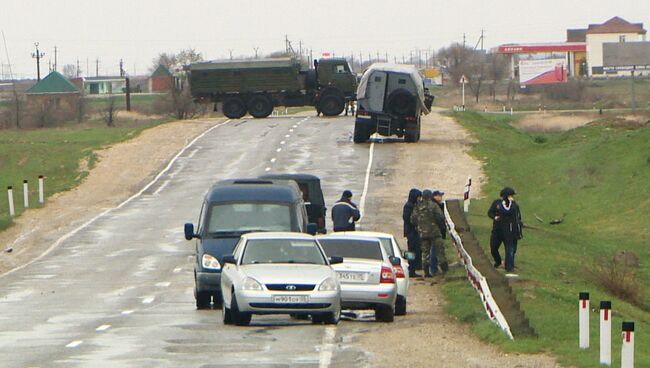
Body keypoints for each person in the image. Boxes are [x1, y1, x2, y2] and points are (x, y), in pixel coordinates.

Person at [487, 187, 523, 273]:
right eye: (510, 196)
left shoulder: (514, 206)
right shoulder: (497, 203)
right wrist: (495, 217)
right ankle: (498, 261)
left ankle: (509, 267)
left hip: (509, 231)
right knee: (493, 247)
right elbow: (490, 212)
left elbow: (517, 217)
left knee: (510, 250)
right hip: (497, 230)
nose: (512, 197)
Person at [411, 190, 445, 277]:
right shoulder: (433, 205)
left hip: (423, 233)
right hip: (434, 232)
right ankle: (444, 269)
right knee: (439, 250)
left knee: (425, 253)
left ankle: (426, 272)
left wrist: (420, 226)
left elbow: (413, 220)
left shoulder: (417, 206)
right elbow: (440, 217)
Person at [402, 188, 422, 277]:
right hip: (411, 232)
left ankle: (414, 267)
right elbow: (407, 218)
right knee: (412, 251)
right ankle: (411, 269)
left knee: (416, 250)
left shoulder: (414, 205)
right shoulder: (409, 206)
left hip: (413, 232)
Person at [431, 190, 448, 274]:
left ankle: (435, 268)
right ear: (435, 196)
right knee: (435, 250)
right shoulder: (434, 206)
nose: (441, 197)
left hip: (434, 231)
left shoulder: (438, 205)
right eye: (439, 196)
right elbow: (439, 219)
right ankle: (435, 269)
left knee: (435, 250)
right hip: (435, 232)